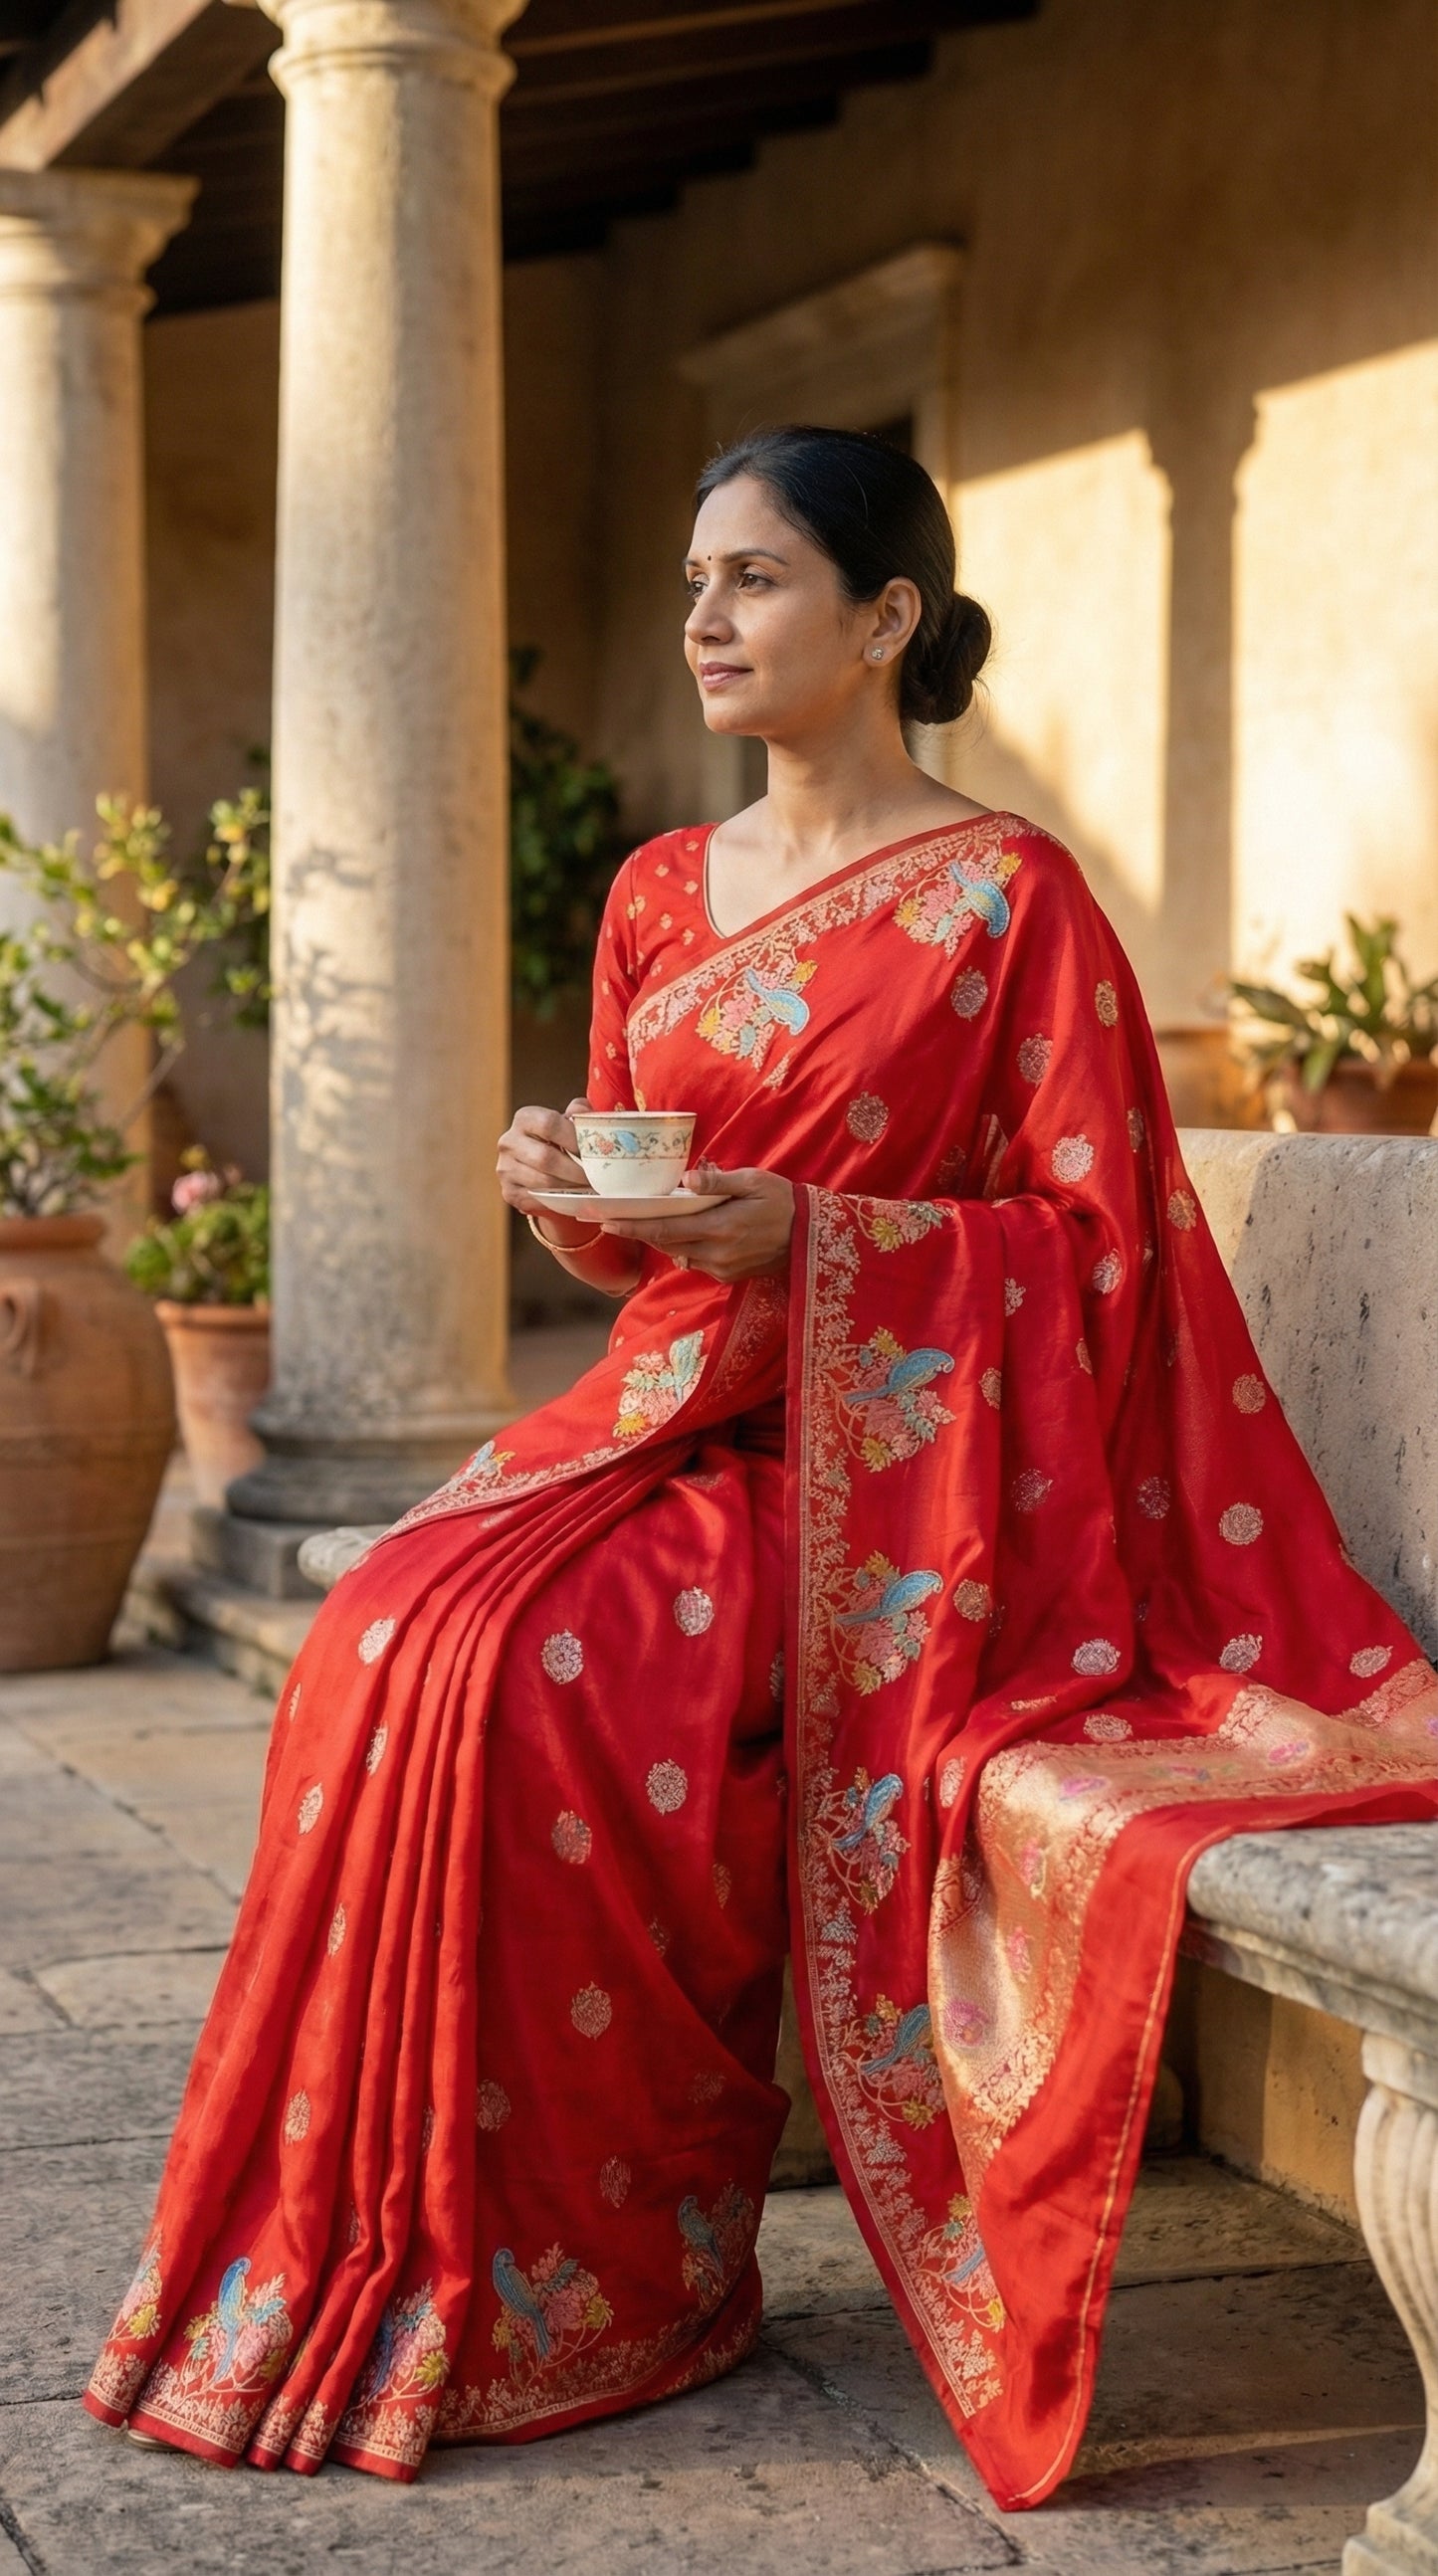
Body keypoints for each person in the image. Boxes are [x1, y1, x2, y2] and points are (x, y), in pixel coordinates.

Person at [87, 427, 1438, 2507]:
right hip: (662, 1403)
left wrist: (818, 1242)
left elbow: (1104, 1262)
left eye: (760, 579)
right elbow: (644, 1217)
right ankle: (422, 2255)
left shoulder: (1010, 899)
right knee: (375, 1634)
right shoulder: (657, 888)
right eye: (697, 578)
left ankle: (610, 2273)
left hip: (902, 1491)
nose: (705, 618)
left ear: (887, 619)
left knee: (540, 1678)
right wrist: (568, 1194)